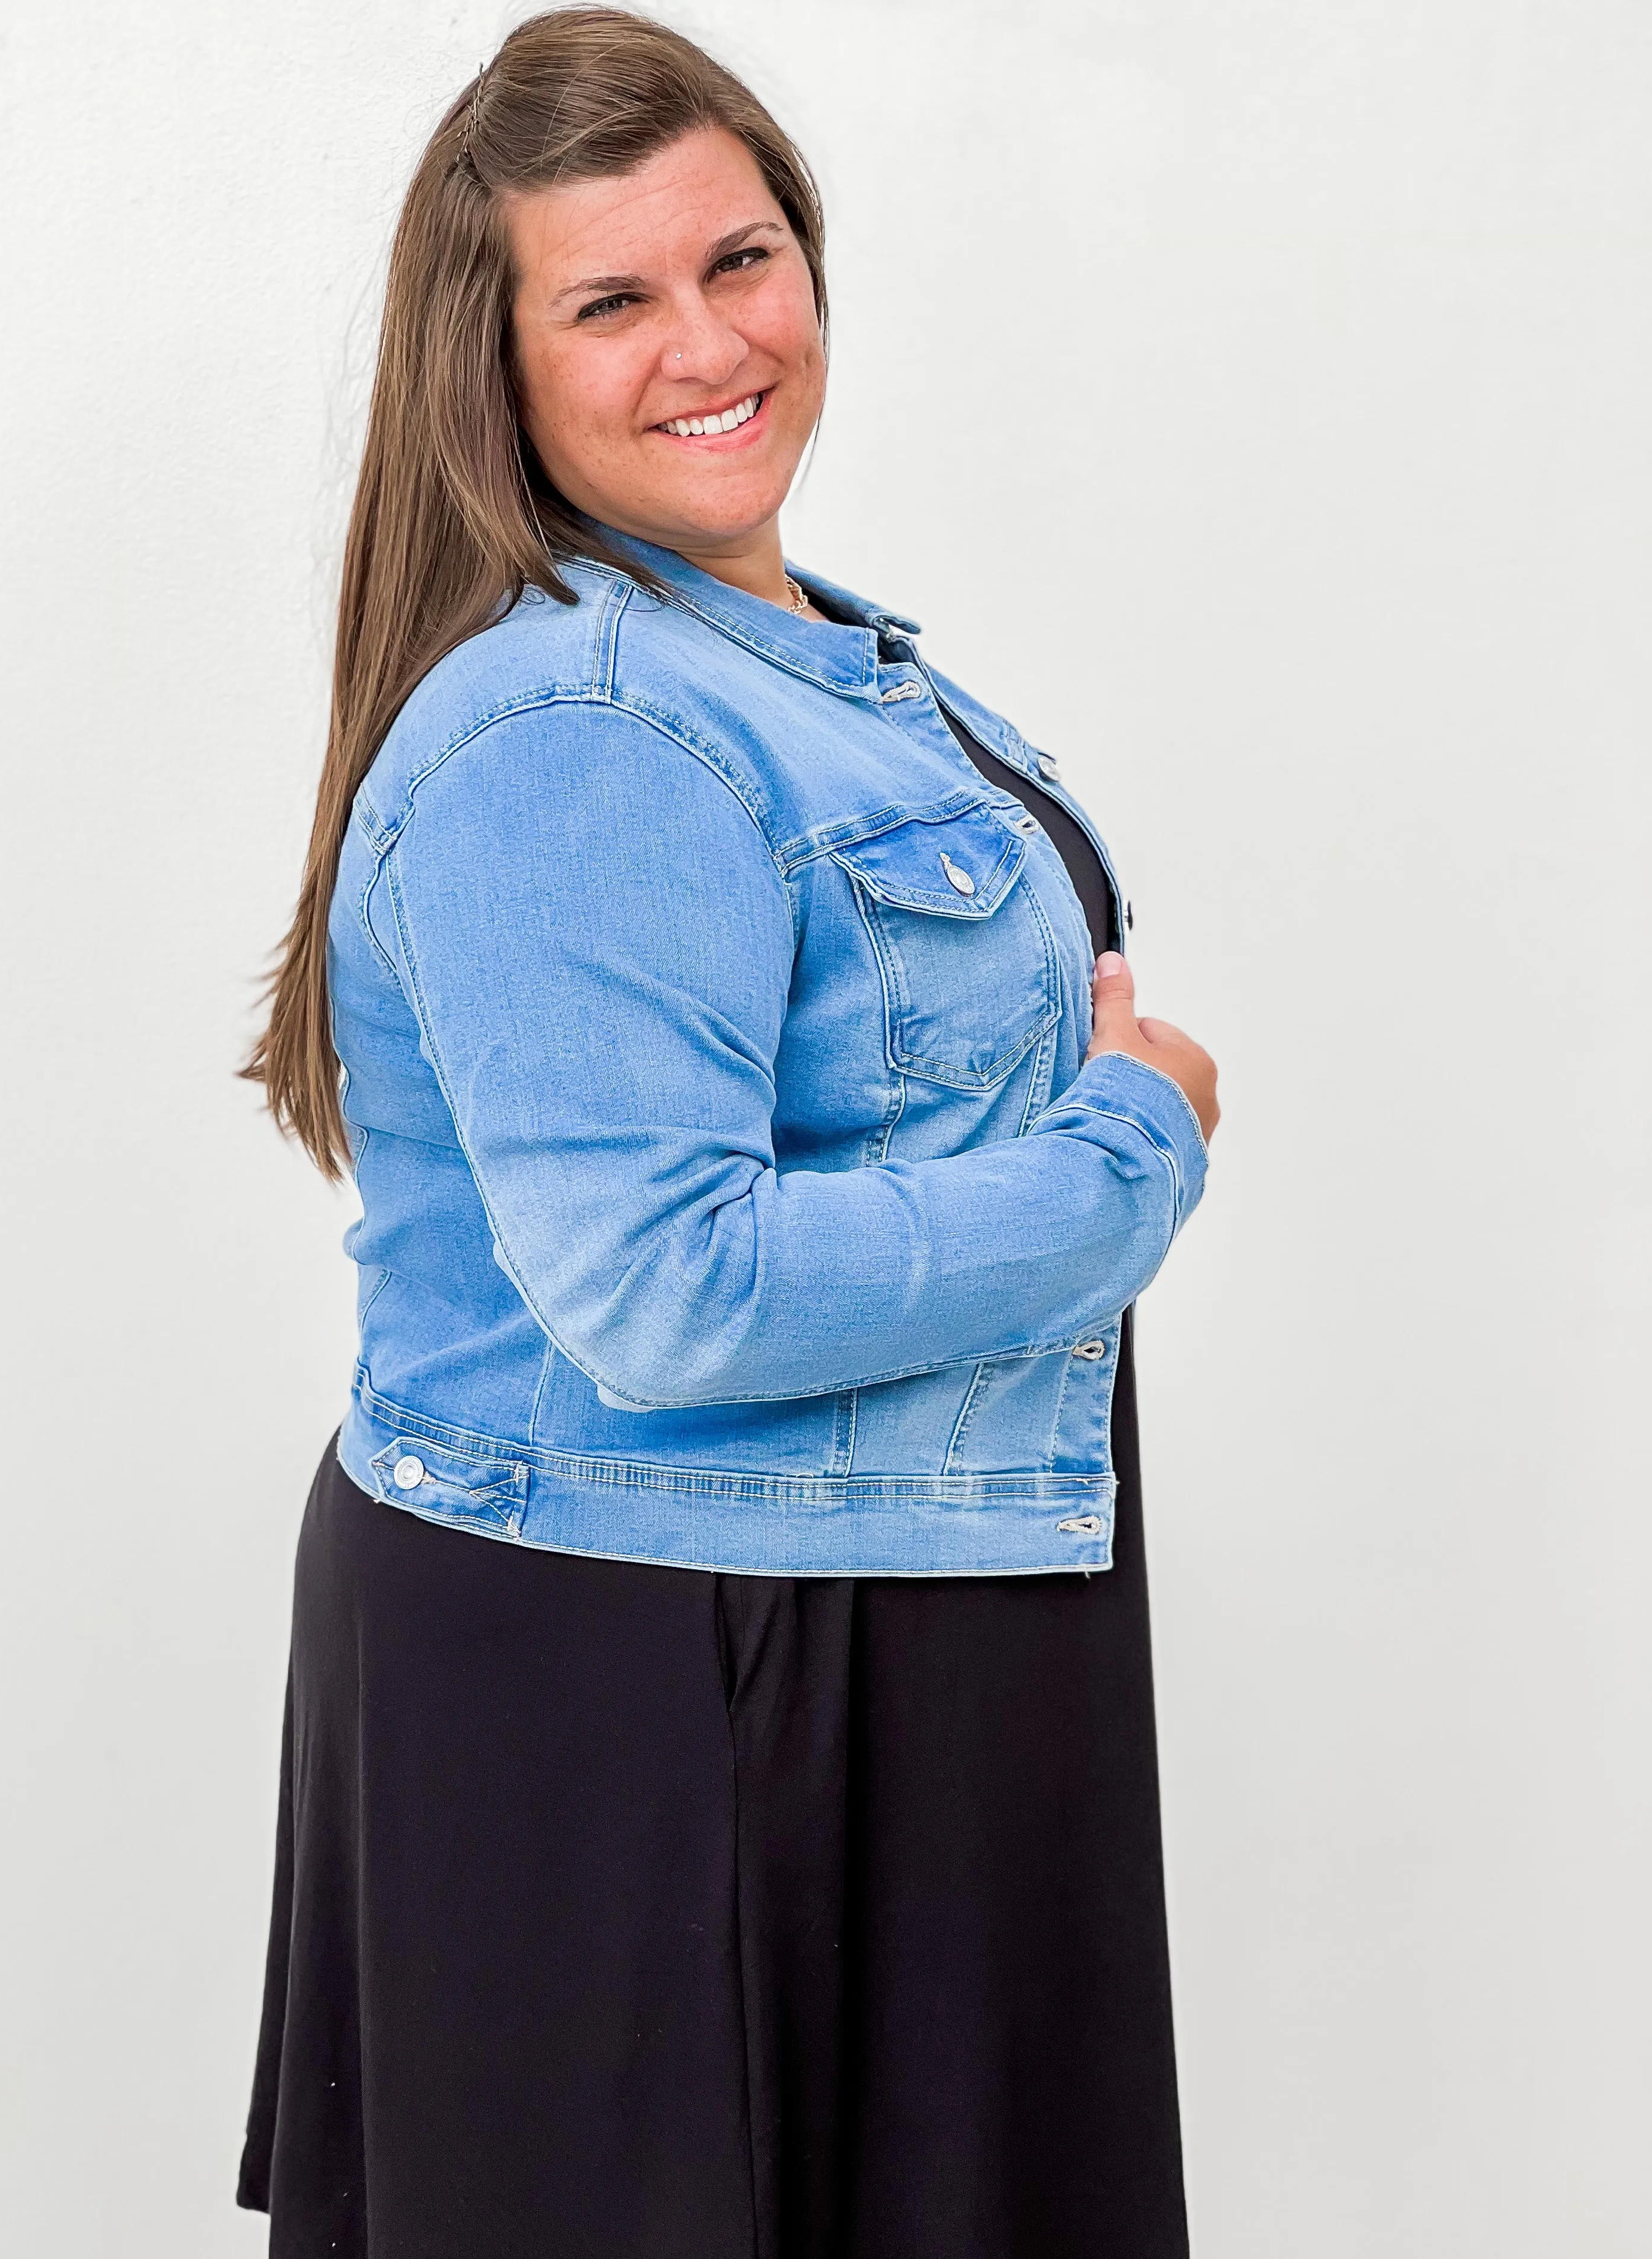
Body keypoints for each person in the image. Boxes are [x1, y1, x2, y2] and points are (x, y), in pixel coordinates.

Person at [237, 10, 1219, 2255]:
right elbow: (668, 1296)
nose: (710, 339)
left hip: (854, 1603)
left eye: (742, 257)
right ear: (498, 367)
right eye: (612, 298)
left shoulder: (799, 659)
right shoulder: (581, 728)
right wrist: (1134, 1144)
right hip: (659, 1669)